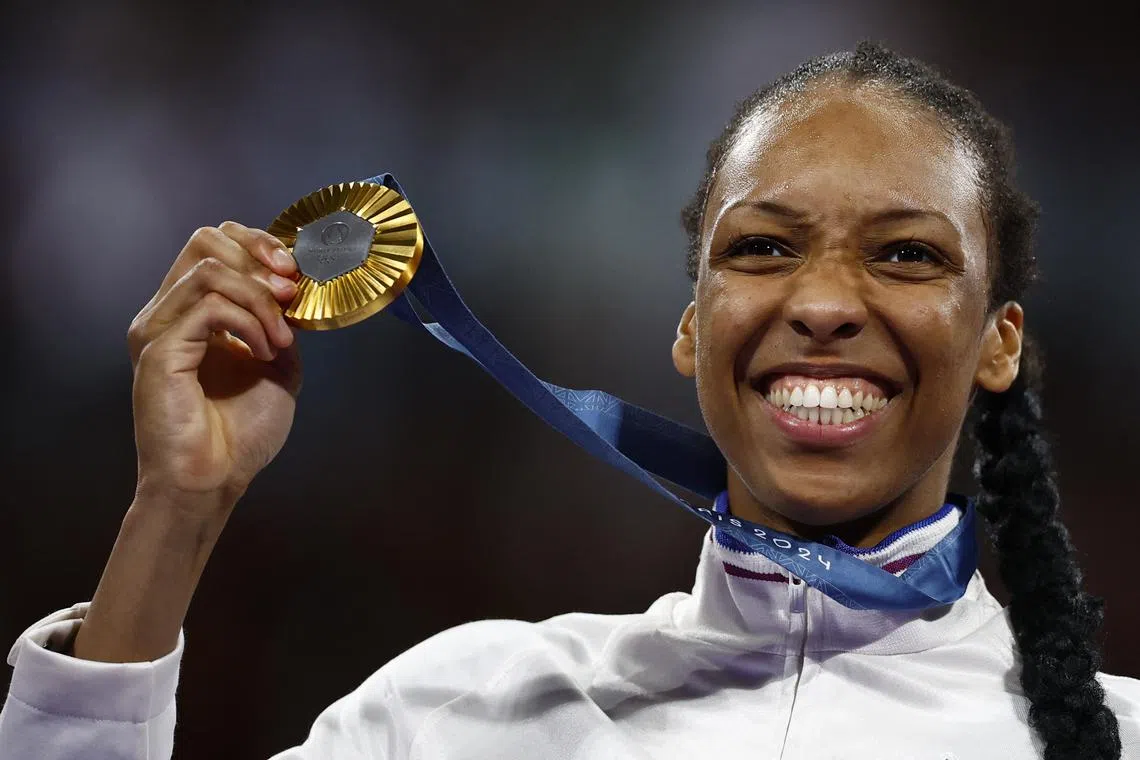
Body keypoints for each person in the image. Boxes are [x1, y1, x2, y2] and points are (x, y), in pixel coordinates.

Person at [1, 41, 1137, 760]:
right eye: (765, 248)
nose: (826, 302)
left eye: (903, 256)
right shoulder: (457, 715)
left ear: (998, 343)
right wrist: (178, 510)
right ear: (693, 327)